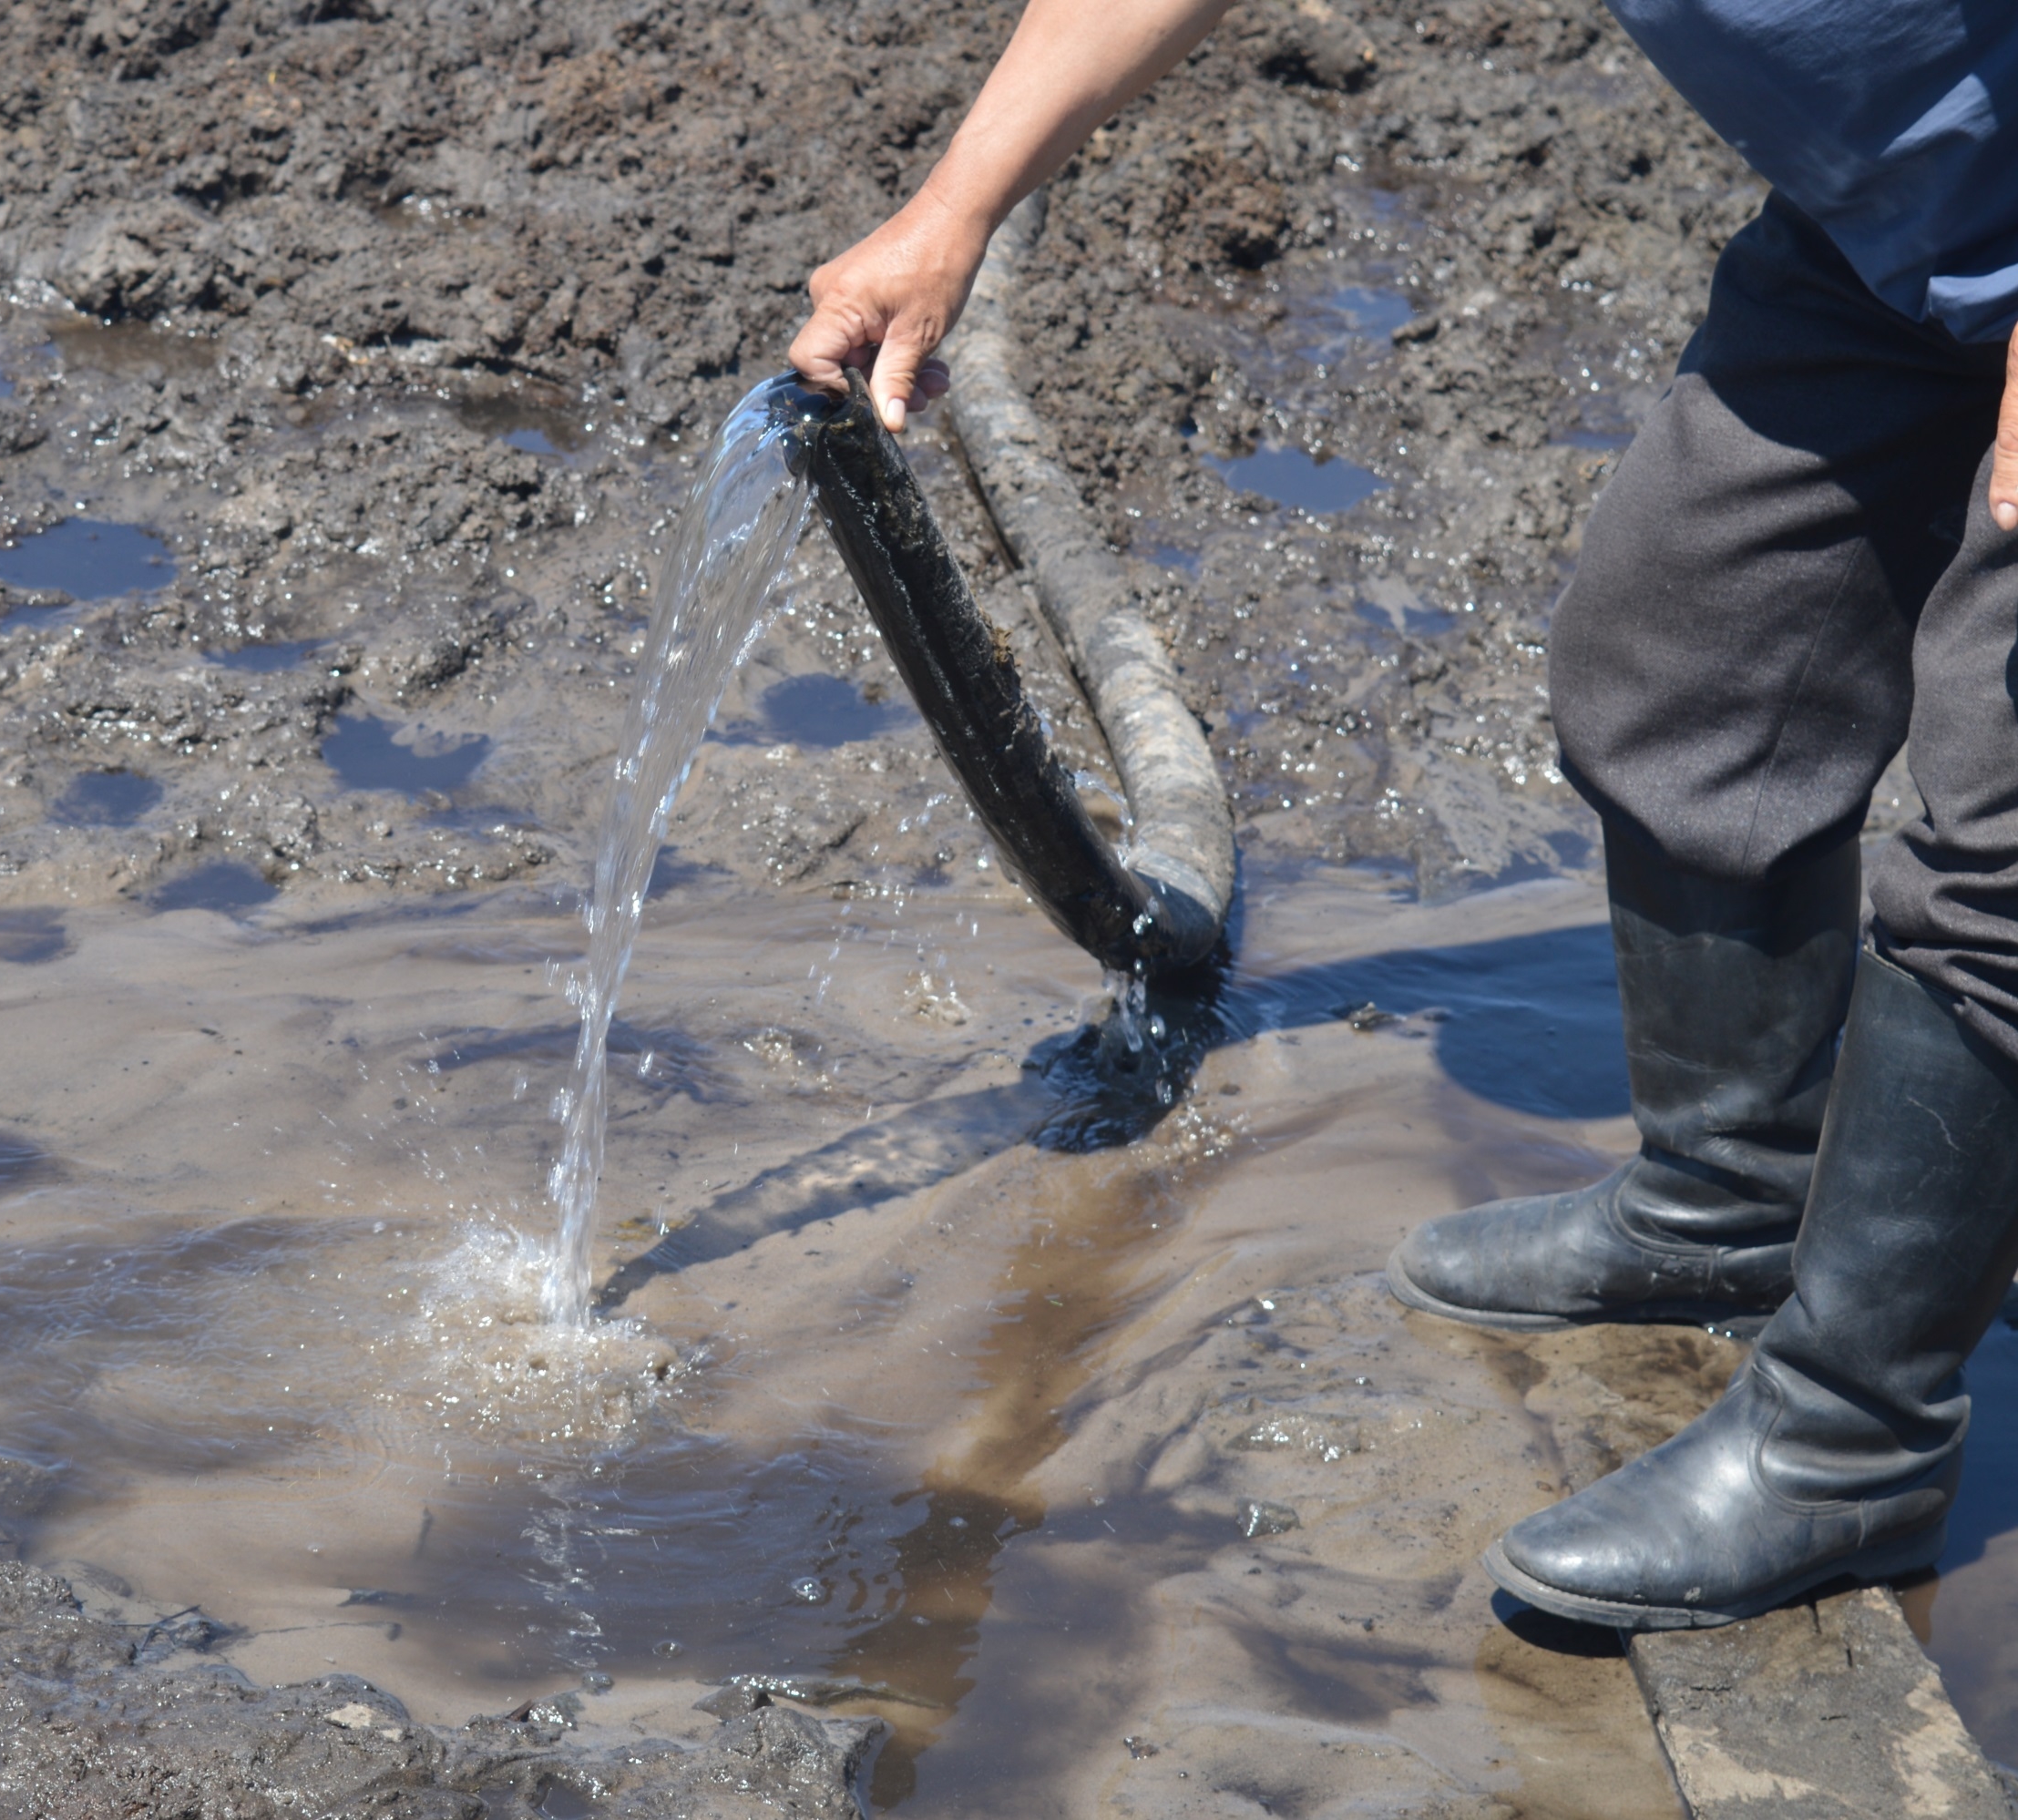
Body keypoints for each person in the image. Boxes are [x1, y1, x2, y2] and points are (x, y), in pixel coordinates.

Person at [794, 0, 2018, 1631]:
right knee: (1686, 645)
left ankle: (1851, 1439)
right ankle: (1735, 1198)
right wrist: (951, 207)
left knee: (1999, 839)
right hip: (1914, 234)